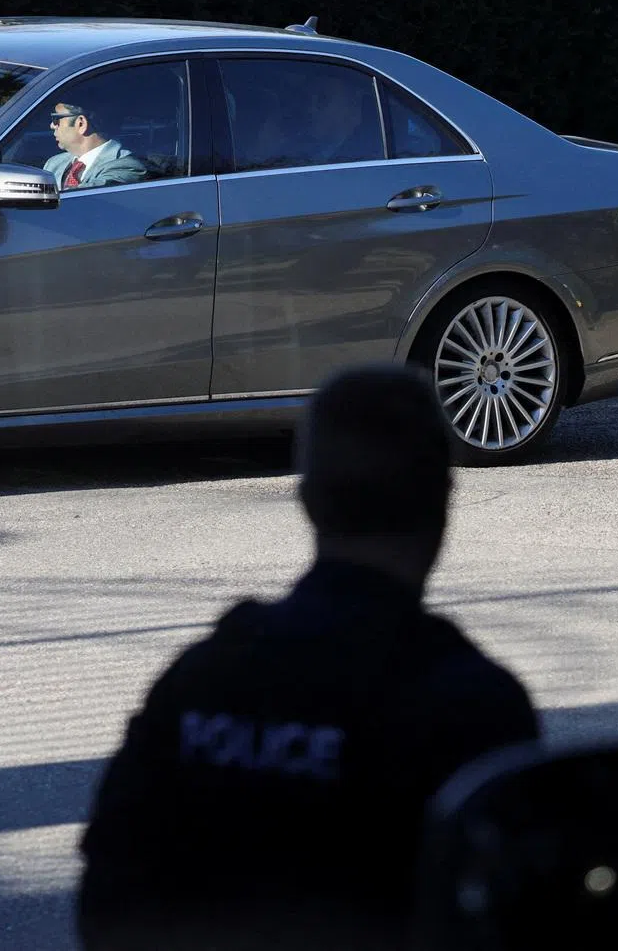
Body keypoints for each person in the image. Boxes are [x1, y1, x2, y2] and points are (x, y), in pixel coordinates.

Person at [77, 364, 541, 951]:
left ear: (308, 500)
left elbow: (108, 903)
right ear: (443, 500)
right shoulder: (476, 708)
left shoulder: (199, 682)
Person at [43, 101, 146, 189]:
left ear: (81, 124)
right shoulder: (54, 163)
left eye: (56, 119)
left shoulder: (125, 166)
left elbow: (79, 201)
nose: (52, 125)